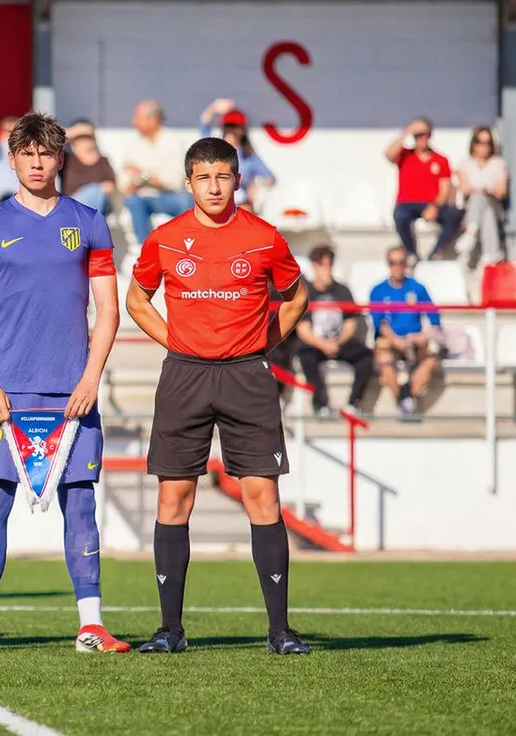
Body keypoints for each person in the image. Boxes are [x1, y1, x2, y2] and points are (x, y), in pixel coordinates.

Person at [125, 136, 311, 656]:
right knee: (174, 497)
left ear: (237, 180)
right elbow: (136, 299)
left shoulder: (264, 237)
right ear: (188, 183)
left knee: (262, 496)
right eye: (203, 177)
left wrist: (263, 343)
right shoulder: (164, 238)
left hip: (246, 376)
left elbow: (296, 296)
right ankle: (169, 630)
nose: (213, 186)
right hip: (185, 376)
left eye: (223, 176)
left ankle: (280, 631)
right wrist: (175, 341)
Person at [0, 112, 126, 655]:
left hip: (73, 395)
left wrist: (91, 377)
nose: (36, 162)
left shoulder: (89, 222)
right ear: (12, 159)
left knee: (81, 505)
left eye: (45, 154)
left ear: (59, 159)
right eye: (26, 154)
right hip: (6, 393)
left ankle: (91, 623)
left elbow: (109, 310)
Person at [294, 245, 374, 417]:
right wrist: (323, 344)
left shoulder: (342, 291)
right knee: (305, 356)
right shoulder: (304, 293)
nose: (327, 270)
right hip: (316, 343)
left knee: (366, 356)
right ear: (314, 266)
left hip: (339, 342)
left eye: (329, 264)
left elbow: (351, 323)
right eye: (323, 265)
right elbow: (303, 329)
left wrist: (337, 342)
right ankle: (321, 404)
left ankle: (354, 403)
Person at [369, 245, 441, 419]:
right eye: (393, 262)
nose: (398, 266)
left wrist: (419, 337)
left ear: (406, 264)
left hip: (414, 341)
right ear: (388, 264)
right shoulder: (378, 291)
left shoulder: (417, 288)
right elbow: (380, 324)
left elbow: (435, 321)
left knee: (431, 361)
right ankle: (405, 400)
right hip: (390, 340)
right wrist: (397, 341)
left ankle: (407, 398)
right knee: (384, 361)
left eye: (401, 262)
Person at [386, 117, 461, 261]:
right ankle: (412, 253)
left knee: (454, 215)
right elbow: (389, 154)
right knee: (399, 216)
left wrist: (435, 206)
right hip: (407, 204)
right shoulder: (405, 156)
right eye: (417, 135)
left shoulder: (440, 159)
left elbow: (445, 187)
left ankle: (435, 252)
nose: (421, 138)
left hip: (431, 204)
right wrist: (406, 131)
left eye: (424, 134)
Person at [121, 100, 191, 247]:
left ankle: (190, 247)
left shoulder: (173, 141)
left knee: (186, 201)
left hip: (169, 197)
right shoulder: (134, 144)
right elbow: (124, 182)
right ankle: (145, 249)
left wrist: (142, 174)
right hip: (144, 197)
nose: (134, 122)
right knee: (133, 201)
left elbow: (175, 181)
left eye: (137, 117)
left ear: (153, 119)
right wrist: (150, 177)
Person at [199, 99, 275, 211]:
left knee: (244, 207)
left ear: (243, 130)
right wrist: (213, 108)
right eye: (228, 125)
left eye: (235, 126)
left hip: (239, 204)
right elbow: (204, 126)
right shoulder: (214, 147)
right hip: (214, 198)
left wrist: (258, 185)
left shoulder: (248, 156)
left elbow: (271, 178)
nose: (231, 130)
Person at [453, 126, 508, 264]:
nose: (484, 147)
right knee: (484, 209)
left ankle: (471, 233)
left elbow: (501, 192)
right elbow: (465, 189)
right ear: (474, 144)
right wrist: (487, 189)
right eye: (480, 142)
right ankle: (491, 254)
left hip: (495, 206)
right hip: (470, 208)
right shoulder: (465, 164)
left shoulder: (498, 163)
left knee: (483, 202)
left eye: (488, 143)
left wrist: (479, 190)